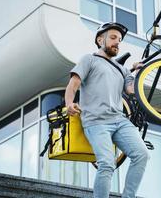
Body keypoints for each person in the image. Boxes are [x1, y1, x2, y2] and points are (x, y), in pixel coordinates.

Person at [64, 22, 150, 198]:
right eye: (113, 38)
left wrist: (138, 72)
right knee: (107, 163)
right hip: (96, 122)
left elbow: (131, 90)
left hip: (120, 121)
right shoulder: (89, 59)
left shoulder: (122, 69)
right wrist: (69, 103)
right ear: (100, 39)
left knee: (142, 154)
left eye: (119, 39)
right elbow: (73, 84)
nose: (117, 42)